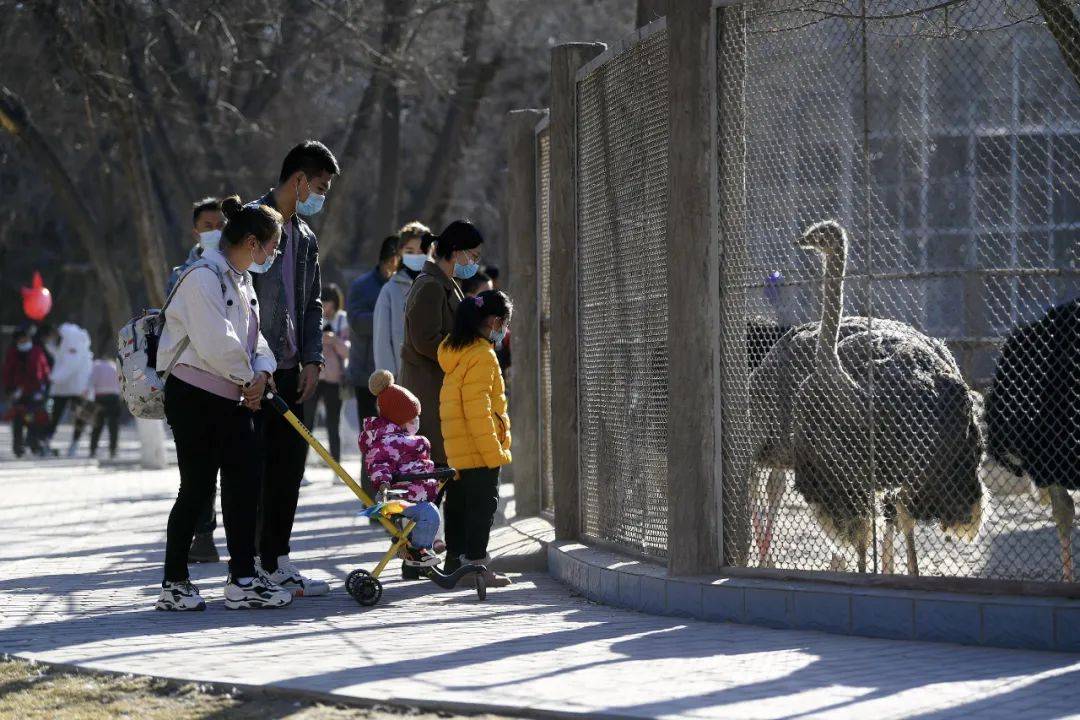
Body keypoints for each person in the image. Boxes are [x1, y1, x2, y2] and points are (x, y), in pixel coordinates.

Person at [154, 196, 293, 611]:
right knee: (196, 489)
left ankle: (243, 579)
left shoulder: (241, 278)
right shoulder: (201, 277)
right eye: (272, 246)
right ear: (252, 242)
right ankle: (174, 583)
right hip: (195, 396)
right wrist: (250, 378)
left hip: (235, 396)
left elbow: (256, 340)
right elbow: (217, 343)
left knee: (245, 485)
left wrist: (263, 374)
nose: (274, 255)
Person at [252, 139, 339, 596]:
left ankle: (278, 559)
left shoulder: (305, 237)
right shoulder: (251, 222)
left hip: (292, 371)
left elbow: (312, 306)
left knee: (290, 468)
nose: (320, 196)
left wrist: (313, 358)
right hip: (252, 373)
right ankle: (251, 568)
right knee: (255, 470)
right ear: (299, 179)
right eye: (319, 186)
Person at [438, 289, 513, 587]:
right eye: (505, 323)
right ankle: (477, 568)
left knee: (457, 505)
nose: (505, 330)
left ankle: (454, 562)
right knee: (482, 508)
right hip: (479, 448)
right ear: (494, 322)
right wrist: (493, 452)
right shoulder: (483, 356)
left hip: (458, 447)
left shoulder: (456, 353)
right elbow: (479, 409)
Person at [358, 370, 442, 568]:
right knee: (430, 515)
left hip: (413, 493)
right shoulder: (387, 442)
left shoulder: (402, 441)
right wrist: (383, 482)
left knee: (430, 513)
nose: (416, 422)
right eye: (412, 419)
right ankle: (417, 552)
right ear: (399, 419)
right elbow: (378, 463)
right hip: (399, 496)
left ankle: (412, 550)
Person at [348, 236, 400, 423]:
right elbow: (356, 322)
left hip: (398, 372)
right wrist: (387, 317)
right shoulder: (362, 286)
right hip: (367, 373)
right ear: (391, 259)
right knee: (371, 433)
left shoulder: (404, 285)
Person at [373, 222, 432, 379]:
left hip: (434, 378)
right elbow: (382, 341)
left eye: (422, 251)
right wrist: (388, 379)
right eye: (410, 251)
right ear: (400, 252)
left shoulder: (438, 287)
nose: (416, 255)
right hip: (402, 377)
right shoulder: (390, 291)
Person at [304, 284, 350, 462]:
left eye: (328, 302)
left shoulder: (342, 320)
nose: (325, 306)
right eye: (323, 301)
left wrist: (334, 340)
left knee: (333, 424)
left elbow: (347, 351)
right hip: (314, 377)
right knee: (306, 423)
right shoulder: (314, 318)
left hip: (334, 380)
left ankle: (336, 468)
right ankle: (302, 467)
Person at [46, 322, 93, 457]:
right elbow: (60, 357)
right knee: (64, 416)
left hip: (73, 387)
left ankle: (72, 443)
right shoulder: (73, 346)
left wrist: (53, 378)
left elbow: (69, 365)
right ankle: (69, 442)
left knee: (74, 417)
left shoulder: (72, 347)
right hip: (71, 388)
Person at [2, 326, 50, 458]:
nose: (25, 341)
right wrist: (9, 388)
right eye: (22, 339)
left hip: (35, 391)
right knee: (18, 418)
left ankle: (33, 442)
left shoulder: (37, 351)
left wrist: (45, 385)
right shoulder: (12, 353)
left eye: (26, 338)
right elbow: (7, 371)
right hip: (19, 391)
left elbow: (44, 368)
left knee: (34, 418)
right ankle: (18, 446)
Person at [167, 198, 226, 296]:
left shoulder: (242, 270)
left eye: (220, 226)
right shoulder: (180, 278)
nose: (216, 232)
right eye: (208, 227)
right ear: (196, 234)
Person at [88, 356, 121, 460]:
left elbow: (91, 381)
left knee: (97, 425)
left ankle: (93, 449)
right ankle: (113, 449)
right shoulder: (115, 366)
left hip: (100, 397)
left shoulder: (96, 365)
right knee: (113, 426)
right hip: (114, 397)